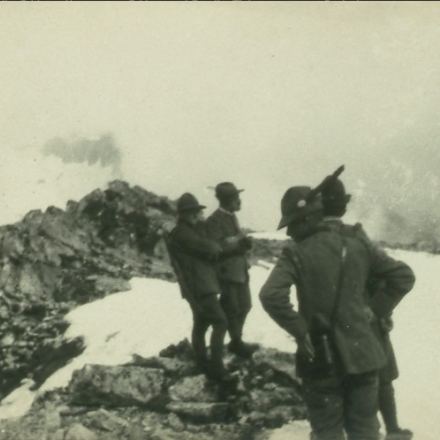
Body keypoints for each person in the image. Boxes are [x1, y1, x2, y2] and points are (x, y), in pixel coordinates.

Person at [259, 182, 415, 440]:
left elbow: (270, 295)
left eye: (293, 224)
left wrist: (299, 330)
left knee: (327, 433)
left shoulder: (296, 253)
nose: (289, 233)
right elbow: (403, 276)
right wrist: (374, 309)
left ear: (309, 218)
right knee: (365, 431)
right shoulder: (357, 244)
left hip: (322, 361)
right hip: (364, 357)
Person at [321, 176, 413, 440]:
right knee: (377, 376)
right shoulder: (356, 236)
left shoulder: (308, 241)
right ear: (344, 206)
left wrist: (378, 310)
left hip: (333, 323)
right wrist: (378, 309)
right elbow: (389, 274)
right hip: (364, 320)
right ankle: (389, 429)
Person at [167, 193, 233, 382]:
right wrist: (210, 237)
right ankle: (216, 369)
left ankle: (202, 362)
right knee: (220, 322)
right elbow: (211, 249)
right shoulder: (183, 233)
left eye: (197, 211)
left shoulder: (186, 232)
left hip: (200, 285)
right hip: (200, 286)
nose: (196, 215)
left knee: (201, 324)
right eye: (192, 212)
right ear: (184, 214)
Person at [205, 182, 255, 358]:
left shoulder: (232, 217)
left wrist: (242, 243)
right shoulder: (213, 220)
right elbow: (217, 247)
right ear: (226, 200)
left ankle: (236, 340)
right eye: (235, 199)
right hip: (226, 273)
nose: (239, 202)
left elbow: (231, 240)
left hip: (240, 271)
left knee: (246, 305)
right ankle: (235, 342)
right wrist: (239, 243)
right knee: (232, 308)